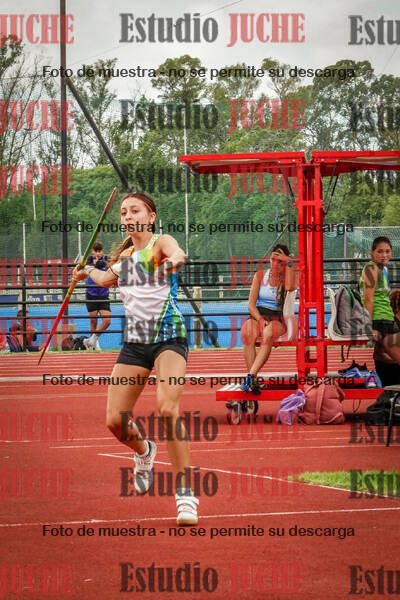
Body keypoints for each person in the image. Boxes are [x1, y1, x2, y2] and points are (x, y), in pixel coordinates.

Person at [72, 190, 199, 525]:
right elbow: (106, 279)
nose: (128, 217)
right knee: (115, 421)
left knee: (168, 409)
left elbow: (178, 254)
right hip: (136, 342)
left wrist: (169, 265)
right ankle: (144, 452)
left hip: (169, 336)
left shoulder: (160, 243)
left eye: (135, 211)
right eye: (124, 213)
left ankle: (185, 494)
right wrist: (86, 271)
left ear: (151, 216)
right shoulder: (126, 256)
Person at [240, 244, 296, 393]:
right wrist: (259, 319)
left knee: (268, 333)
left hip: (277, 316)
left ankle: (250, 376)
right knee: (247, 332)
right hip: (259, 314)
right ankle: (253, 381)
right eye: (273, 259)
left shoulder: (287, 277)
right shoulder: (260, 275)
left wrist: (288, 261)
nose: (275, 263)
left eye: (279, 260)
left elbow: (290, 287)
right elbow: (251, 305)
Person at [359, 236, 400, 384]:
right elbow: (368, 299)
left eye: (387, 251)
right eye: (380, 251)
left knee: (379, 355)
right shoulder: (371, 269)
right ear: (372, 252)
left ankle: (388, 388)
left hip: (386, 318)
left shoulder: (384, 270)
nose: (384, 255)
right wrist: (368, 326)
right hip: (381, 321)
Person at [84, 242, 111, 351]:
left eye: (99, 251)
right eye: (96, 251)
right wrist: (95, 265)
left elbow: (107, 266)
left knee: (107, 321)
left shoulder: (106, 259)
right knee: (93, 321)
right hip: (91, 294)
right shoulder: (89, 260)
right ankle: (93, 345)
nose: (98, 253)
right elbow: (87, 268)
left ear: (102, 251)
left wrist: (99, 264)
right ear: (92, 252)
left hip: (103, 295)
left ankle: (92, 340)